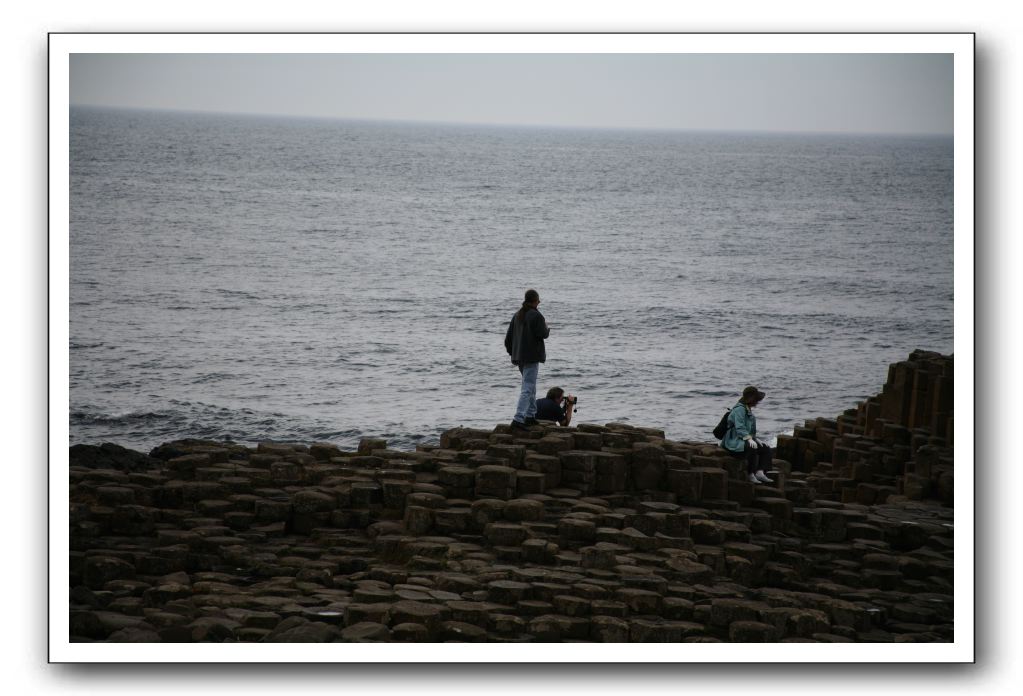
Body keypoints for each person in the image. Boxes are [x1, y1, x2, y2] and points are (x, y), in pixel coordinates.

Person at [504, 288, 550, 431]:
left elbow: (508, 339)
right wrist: (548, 329)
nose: (539, 302)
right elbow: (543, 334)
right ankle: (518, 418)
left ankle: (530, 415)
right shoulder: (536, 316)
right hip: (531, 357)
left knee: (531, 386)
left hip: (519, 357)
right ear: (535, 301)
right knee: (528, 388)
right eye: (538, 300)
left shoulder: (517, 315)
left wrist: (513, 353)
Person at [720, 386, 775, 484]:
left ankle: (760, 472)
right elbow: (740, 427)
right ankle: (751, 474)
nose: (757, 402)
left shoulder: (748, 409)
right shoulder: (739, 409)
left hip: (744, 438)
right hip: (734, 440)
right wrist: (749, 439)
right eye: (756, 399)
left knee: (766, 448)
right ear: (751, 399)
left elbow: (751, 430)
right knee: (752, 448)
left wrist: (755, 438)